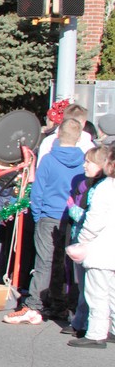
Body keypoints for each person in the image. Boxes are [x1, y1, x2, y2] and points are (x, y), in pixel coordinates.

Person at [5, 118, 85, 325]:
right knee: (63, 262)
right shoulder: (83, 160)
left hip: (49, 215)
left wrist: (38, 215)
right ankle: (60, 304)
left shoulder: (49, 159)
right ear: (79, 137)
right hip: (70, 217)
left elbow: (38, 191)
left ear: (58, 135)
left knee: (43, 262)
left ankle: (34, 305)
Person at [65, 146, 115, 348]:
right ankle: (111, 329)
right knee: (112, 292)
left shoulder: (105, 188)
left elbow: (94, 221)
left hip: (100, 249)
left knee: (97, 293)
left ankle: (95, 333)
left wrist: (82, 241)